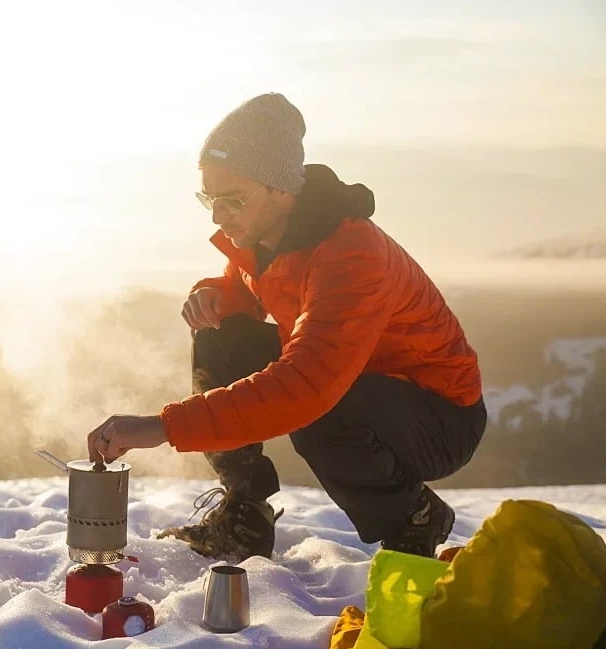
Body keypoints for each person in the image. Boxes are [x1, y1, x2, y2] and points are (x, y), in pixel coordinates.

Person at [84, 92, 487, 562]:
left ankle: (413, 515)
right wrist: (219, 294)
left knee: (322, 409)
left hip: (438, 418)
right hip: (364, 385)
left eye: (232, 200)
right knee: (221, 335)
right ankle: (245, 514)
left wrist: (162, 426)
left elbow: (307, 385)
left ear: (281, 189)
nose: (217, 216)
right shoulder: (270, 235)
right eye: (209, 198)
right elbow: (251, 284)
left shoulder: (351, 254)